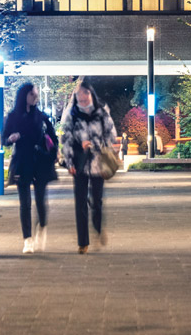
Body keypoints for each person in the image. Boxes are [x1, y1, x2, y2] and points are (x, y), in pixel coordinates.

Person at [59, 81, 117, 254]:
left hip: (98, 162)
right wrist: (70, 162)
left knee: (96, 202)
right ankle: (82, 242)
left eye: (85, 96)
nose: (82, 100)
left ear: (91, 94)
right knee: (80, 203)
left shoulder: (101, 113)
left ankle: (98, 229)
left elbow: (111, 135)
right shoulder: (72, 115)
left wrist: (98, 145)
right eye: (79, 98)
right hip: (79, 162)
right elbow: (66, 140)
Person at [1, 81, 58, 253]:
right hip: (22, 162)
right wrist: (10, 138)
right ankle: (27, 239)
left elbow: (53, 137)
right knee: (24, 203)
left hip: (40, 161)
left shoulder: (40, 116)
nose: (35, 97)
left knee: (40, 200)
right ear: (24, 95)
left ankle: (42, 226)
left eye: (36, 95)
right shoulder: (13, 116)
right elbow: (4, 139)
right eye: (32, 94)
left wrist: (52, 153)